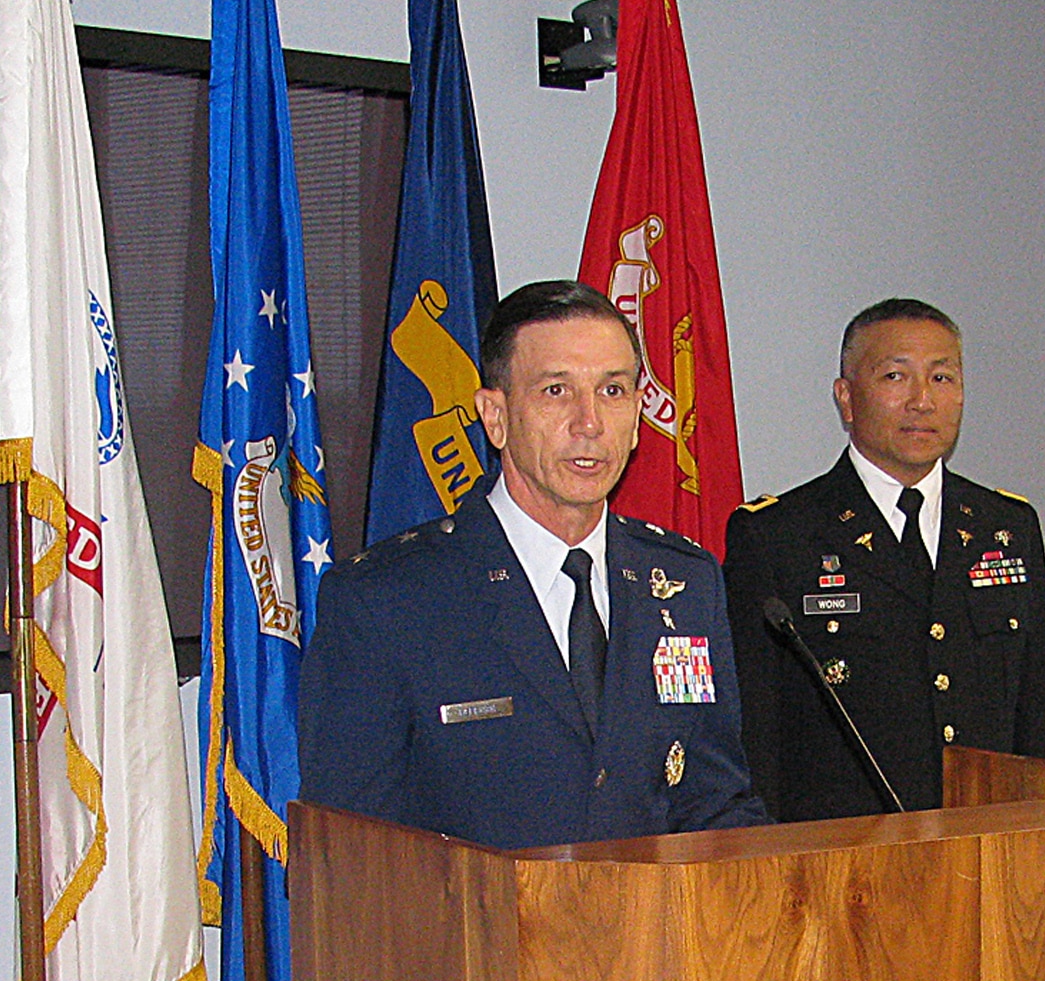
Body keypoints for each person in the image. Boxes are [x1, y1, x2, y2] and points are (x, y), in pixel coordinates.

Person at [298, 280, 766, 849]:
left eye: (614, 391)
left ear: (640, 415)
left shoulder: (684, 583)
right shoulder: (388, 599)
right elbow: (353, 850)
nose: (589, 422)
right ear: (494, 417)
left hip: (655, 934)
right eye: (555, 392)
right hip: (474, 935)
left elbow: (715, 803)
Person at [722, 298, 1045, 820]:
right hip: (840, 865)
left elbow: (1039, 722)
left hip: (984, 853)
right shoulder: (777, 536)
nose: (922, 401)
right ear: (846, 398)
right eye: (895, 376)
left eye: (943, 378)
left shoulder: (1008, 528)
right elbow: (756, 739)